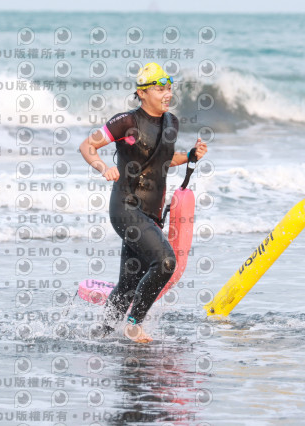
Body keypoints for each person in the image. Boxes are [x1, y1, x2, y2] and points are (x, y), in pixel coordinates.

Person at [79, 62, 207, 342]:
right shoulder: (126, 122)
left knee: (129, 283)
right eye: (160, 89)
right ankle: (134, 325)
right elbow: (87, 145)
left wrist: (190, 156)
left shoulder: (172, 123)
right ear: (142, 92)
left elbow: (164, 160)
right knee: (165, 262)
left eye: (169, 88)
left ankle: (101, 334)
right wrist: (103, 167)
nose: (167, 94)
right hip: (126, 208)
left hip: (152, 213)